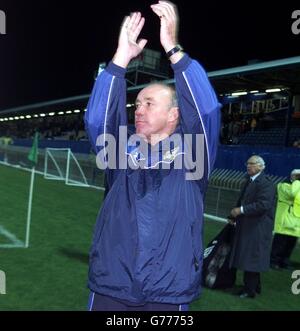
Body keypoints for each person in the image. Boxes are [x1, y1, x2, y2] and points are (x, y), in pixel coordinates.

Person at [85, 1, 220, 311]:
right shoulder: (119, 153)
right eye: (137, 104)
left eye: (148, 103)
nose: (139, 109)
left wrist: (174, 49)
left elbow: (206, 110)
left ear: (174, 114)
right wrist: (120, 59)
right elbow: (97, 121)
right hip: (111, 285)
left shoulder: (194, 155)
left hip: (168, 292)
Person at [227, 155, 276, 298]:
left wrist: (241, 210)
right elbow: (241, 200)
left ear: (261, 167)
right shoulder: (249, 180)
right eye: (247, 163)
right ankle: (255, 286)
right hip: (249, 225)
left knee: (252, 258)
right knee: (251, 257)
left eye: (252, 163)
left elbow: (263, 205)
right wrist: (232, 216)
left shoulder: (266, 183)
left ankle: (249, 291)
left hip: (258, 227)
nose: (248, 166)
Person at [270, 169, 300, 269]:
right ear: (292, 176)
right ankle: (273, 261)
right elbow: (292, 194)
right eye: (297, 176)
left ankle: (284, 262)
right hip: (284, 219)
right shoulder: (283, 185)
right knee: (280, 242)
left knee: (290, 243)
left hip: (296, 221)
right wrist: (297, 181)